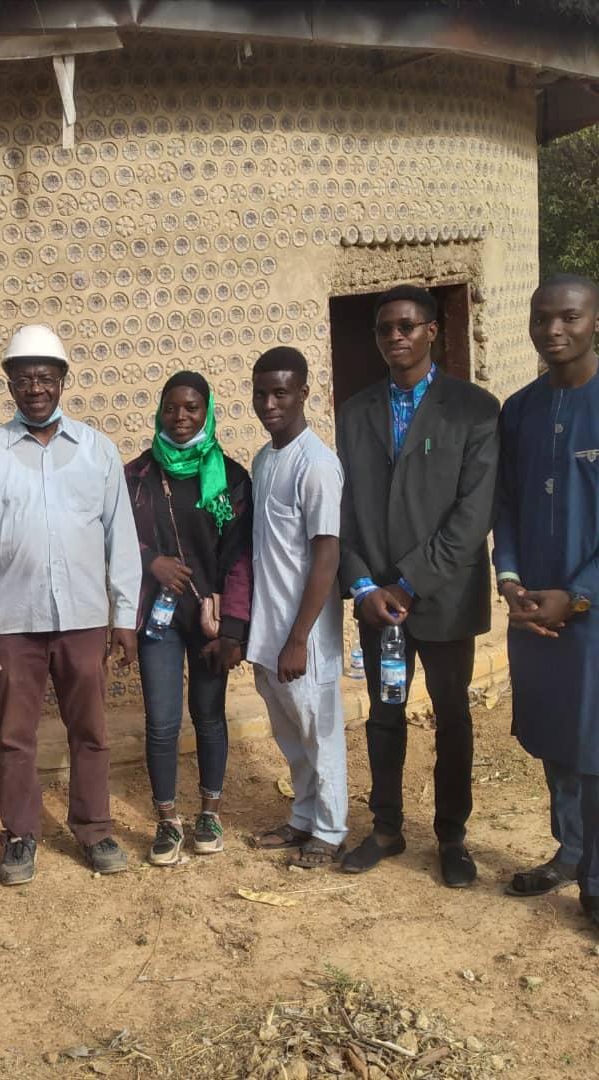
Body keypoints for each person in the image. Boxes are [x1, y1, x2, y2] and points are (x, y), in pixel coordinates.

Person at [0, 324, 142, 884]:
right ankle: (20, 836)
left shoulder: (97, 451)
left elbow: (121, 539)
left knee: (92, 731)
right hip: (13, 623)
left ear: (62, 381)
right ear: (10, 384)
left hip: (84, 619)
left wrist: (123, 617)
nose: (34, 388)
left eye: (45, 377)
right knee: (15, 738)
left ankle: (95, 830)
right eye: (23, 378)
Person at [336, 284, 500, 885]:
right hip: (378, 603)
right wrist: (363, 585)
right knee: (384, 714)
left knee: (453, 717)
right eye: (385, 329)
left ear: (432, 330)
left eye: (407, 326)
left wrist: (410, 583)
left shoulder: (474, 409)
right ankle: (385, 828)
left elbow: (473, 513)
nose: (395, 337)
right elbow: (343, 509)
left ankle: (452, 836)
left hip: (444, 596)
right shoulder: (355, 412)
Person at [494, 273, 599, 933]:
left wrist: (578, 596)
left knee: (593, 743)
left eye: (569, 317)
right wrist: (509, 579)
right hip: (532, 607)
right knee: (554, 735)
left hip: (589, 613)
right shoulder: (520, 410)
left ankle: (597, 880)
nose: (553, 330)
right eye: (542, 318)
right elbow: (505, 503)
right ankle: (571, 851)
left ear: (595, 321)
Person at [124, 371, 251, 865]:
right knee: (162, 721)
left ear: (208, 412)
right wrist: (150, 561)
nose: (180, 417)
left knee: (209, 714)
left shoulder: (231, 478)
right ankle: (167, 821)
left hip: (209, 620)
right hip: (158, 618)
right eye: (171, 407)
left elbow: (240, 558)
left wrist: (233, 629)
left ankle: (210, 814)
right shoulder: (137, 477)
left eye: (192, 408)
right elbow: (112, 537)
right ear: (159, 411)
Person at [248, 348, 348, 869]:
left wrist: (299, 637)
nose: (269, 403)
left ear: (304, 394)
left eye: (280, 393)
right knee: (290, 735)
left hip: (304, 636)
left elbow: (326, 553)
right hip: (269, 630)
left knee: (318, 731)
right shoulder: (265, 460)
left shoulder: (317, 464)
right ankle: (303, 817)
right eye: (261, 393)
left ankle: (330, 831)